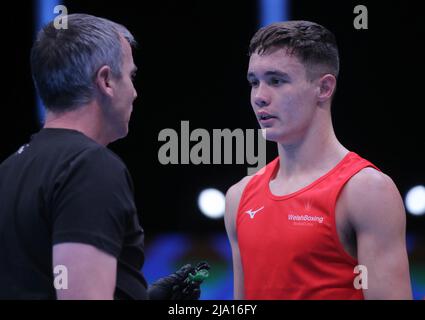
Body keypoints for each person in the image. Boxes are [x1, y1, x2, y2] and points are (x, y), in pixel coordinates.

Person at [0, 13, 208, 300]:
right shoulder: (89, 167)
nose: (135, 93)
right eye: (131, 75)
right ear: (106, 80)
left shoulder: (9, 169)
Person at [224, 20, 412, 299]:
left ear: (324, 88)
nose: (260, 97)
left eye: (276, 81)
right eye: (254, 82)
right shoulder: (238, 197)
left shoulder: (367, 191)